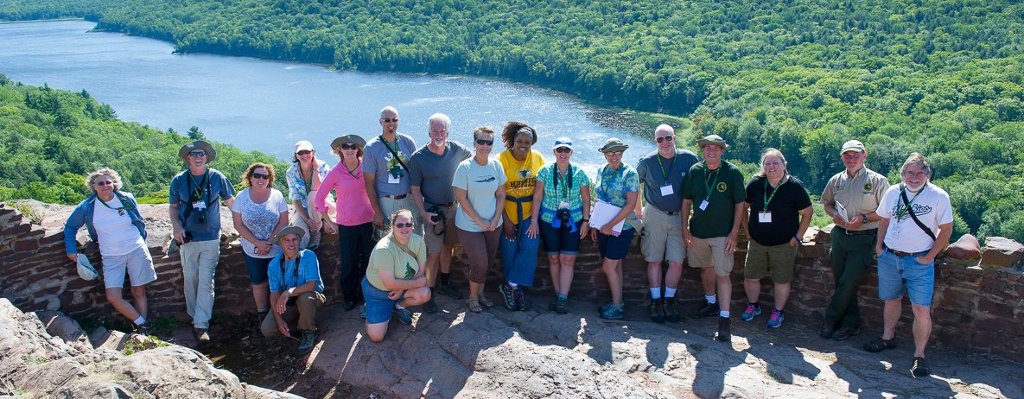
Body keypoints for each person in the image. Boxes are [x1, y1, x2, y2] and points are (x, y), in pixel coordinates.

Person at [866, 153, 953, 378]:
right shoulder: (894, 192)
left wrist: (930, 257)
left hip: (919, 260)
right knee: (891, 300)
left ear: (927, 174)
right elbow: (884, 219)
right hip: (890, 256)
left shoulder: (938, 196)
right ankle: (888, 338)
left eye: (919, 173)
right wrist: (879, 246)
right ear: (903, 174)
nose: (914, 177)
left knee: (921, 308)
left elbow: (946, 230)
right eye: (909, 173)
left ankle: (919, 355)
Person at [64, 168, 157, 334]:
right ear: (94, 186)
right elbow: (70, 226)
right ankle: (142, 323)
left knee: (138, 290)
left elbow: (138, 220)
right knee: (113, 296)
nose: (106, 185)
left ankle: (143, 329)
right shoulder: (87, 207)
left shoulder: (126, 198)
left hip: (135, 248)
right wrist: (71, 249)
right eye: (101, 183)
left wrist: (141, 239)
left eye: (109, 182)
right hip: (110, 256)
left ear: (114, 183)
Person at [819, 140, 889, 341]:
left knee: (848, 281)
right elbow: (826, 203)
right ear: (842, 157)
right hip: (840, 236)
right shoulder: (836, 180)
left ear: (864, 155)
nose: (850, 159)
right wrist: (833, 214)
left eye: (855, 155)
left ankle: (831, 320)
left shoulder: (878, 181)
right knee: (841, 281)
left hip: (865, 238)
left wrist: (864, 218)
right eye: (846, 155)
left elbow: (888, 212)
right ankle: (851, 324)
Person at [169, 140, 235, 342]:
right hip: (188, 237)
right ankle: (194, 315)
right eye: (194, 154)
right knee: (190, 279)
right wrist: (177, 227)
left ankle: (201, 324)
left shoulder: (216, 177)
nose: (198, 157)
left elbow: (231, 202)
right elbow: (173, 207)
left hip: (211, 237)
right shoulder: (179, 180)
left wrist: (244, 225)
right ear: (188, 158)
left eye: (202, 154)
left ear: (206, 158)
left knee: (206, 281)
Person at [681, 134, 745, 342]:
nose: (711, 151)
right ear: (703, 151)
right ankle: (710, 303)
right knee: (705, 269)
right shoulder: (695, 171)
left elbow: (739, 204)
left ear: (722, 151)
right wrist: (684, 228)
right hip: (698, 231)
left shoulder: (732, 172)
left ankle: (724, 320)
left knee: (723, 274)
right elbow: (686, 201)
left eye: (715, 148)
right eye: (707, 148)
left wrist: (734, 232)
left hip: (722, 234)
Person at [739, 149, 812, 329]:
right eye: (767, 163)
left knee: (781, 280)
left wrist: (798, 237)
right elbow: (742, 207)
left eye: (775, 163)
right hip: (757, 241)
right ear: (763, 166)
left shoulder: (794, 187)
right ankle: (753, 305)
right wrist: (747, 230)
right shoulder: (756, 184)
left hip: (784, 244)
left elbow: (808, 212)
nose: (771, 167)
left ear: (784, 165)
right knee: (751, 277)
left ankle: (778, 311)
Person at [408, 113, 472, 311]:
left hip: (453, 207)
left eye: (442, 131)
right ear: (428, 132)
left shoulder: (457, 150)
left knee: (448, 247)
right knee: (433, 253)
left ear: (447, 132)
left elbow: (476, 161)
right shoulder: (418, 158)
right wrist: (424, 213)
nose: (438, 134)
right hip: (433, 211)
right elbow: (415, 190)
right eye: (435, 131)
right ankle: (430, 292)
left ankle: (445, 283)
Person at [634, 124, 698, 323]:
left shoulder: (689, 158)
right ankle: (656, 301)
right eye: (660, 140)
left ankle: (669, 300)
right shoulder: (647, 161)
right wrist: (638, 209)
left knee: (677, 261)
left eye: (667, 138)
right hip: (655, 214)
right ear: (655, 142)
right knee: (653, 260)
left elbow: (698, 185)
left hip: (680, 215)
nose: (664, 143)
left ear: (675, 138)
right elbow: (635, 184)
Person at [527, 137, 591, 314]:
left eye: (566, 150)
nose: (563, 153)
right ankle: (558, 294)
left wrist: (586, 222)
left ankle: (563, 298)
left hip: (574, 219)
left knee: (568, 259)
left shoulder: (580, 173)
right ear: (554, 152)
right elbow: (538, 197)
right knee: (553, 258)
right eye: (559, 150)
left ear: (571, 152)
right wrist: (533, 221)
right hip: (549, 219)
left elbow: (586, 199)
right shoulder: (545, 172)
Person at [315, 134, 374, 312]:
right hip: (347, 225)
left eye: (353, 146)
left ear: (358, 149)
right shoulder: (336, 172)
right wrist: (329, 222)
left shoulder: (367, 166)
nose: (349, 149)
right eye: (345, 147)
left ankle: (367, 295)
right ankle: (350, 297)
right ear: (339, 150)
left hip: (368, 221)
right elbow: (319, 198)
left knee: (369, 261)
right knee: (349, 262)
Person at [453, 126, 507, 313]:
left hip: (493, 224)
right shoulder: (465, 167)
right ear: (474, 143)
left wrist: (496, 218)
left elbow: (501, 194)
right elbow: (461, 198)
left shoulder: (496, 165)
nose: (485, 146)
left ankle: (481, 294)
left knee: (489, 261)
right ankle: (473, 298)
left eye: (489, 142)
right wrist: (480, 220)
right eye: (481, 142)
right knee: (480, 263)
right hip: (469, 225)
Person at [230, 163, 289, 321]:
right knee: (258, 281)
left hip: (276, 247)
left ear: (270, 179)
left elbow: (284, 221)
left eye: (265, 176)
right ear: (250, 177)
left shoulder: (276, 196)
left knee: (278, 280)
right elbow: (238, 224)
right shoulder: (241, 198)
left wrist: (269, 242)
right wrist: (257, 242)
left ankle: (279, 312)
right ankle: (262, 313)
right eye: (257, 175)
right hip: (252, 249)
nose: (261, 179)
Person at [363, 209, 432, 342]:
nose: (404, 228)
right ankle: (370, 308)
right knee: (376, 337)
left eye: (408, 224)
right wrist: (419, 282)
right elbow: (389, 283)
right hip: (379, 292)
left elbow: (420, 271)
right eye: (400, 225)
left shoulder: (418, 241)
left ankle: (398, 306)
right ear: (392, 226)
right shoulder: (384, 248)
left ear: (413, 225)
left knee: (424, 293)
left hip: (400, 288)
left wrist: (401, 288)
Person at [496, 122, 545, 311]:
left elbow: (542, 187)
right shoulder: (501, 160)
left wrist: (535, 219)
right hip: (507, 212)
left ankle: (510, 286)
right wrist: (506, 221)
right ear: (512, 141)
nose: (523, 145)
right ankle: (516, 290)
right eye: (519, 141)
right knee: (509, 253)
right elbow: (496, 194)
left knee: (530, 247)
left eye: (527, 142)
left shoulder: (538, 158)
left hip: (529, 213)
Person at [591, 138, 640, 320]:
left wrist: (610, 225)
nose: (614, 156)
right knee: (616, 265)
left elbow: (631, 204)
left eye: (618, 152)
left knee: (608, 266)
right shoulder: (601, 170)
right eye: (610, 153)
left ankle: (617, 306)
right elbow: (599, 199)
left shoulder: (630, 173)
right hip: (603, 227)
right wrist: (596, 224)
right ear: (605, 154)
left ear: (622, 154)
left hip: (622, 227)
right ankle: (617, 303)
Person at [261, 226, 327, 356]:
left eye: (295, 239)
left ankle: (309, 331)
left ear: (299, 241)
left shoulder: (308, 256)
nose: (291, 243)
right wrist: (279, 320)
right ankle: (299, 325)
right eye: (287, 240)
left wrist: (288, 292)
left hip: (311, 297)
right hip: (290, 303)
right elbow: (274, 295)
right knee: (267, 329)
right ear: (280, 243)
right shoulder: (274, 265)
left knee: (306, 298)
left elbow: (311, 285)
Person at [364, 106, 418, 237]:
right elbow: (369, 184)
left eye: (395, 120)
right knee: (389, 243)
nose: (391, 123)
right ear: (380, 122)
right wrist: (377, 212)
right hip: (387, 202)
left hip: (408, 199)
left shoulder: (407, 142)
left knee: (414, 240)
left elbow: (417, 172)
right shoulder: (372, 148)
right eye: (387, 120)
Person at [285, 140, 335, 250]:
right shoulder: (291, 172)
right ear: (296, 156)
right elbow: (295, 199)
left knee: (313, 195)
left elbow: (321, 192)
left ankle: (315, 232)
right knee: (299, 232)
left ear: (313, 153)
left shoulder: (322, 166)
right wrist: (307, 220)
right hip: (303, 208)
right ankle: (299, 259)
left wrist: (315, 168)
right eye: (300, 153)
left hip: (325, 205)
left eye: (307, 152)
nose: (304, 155)